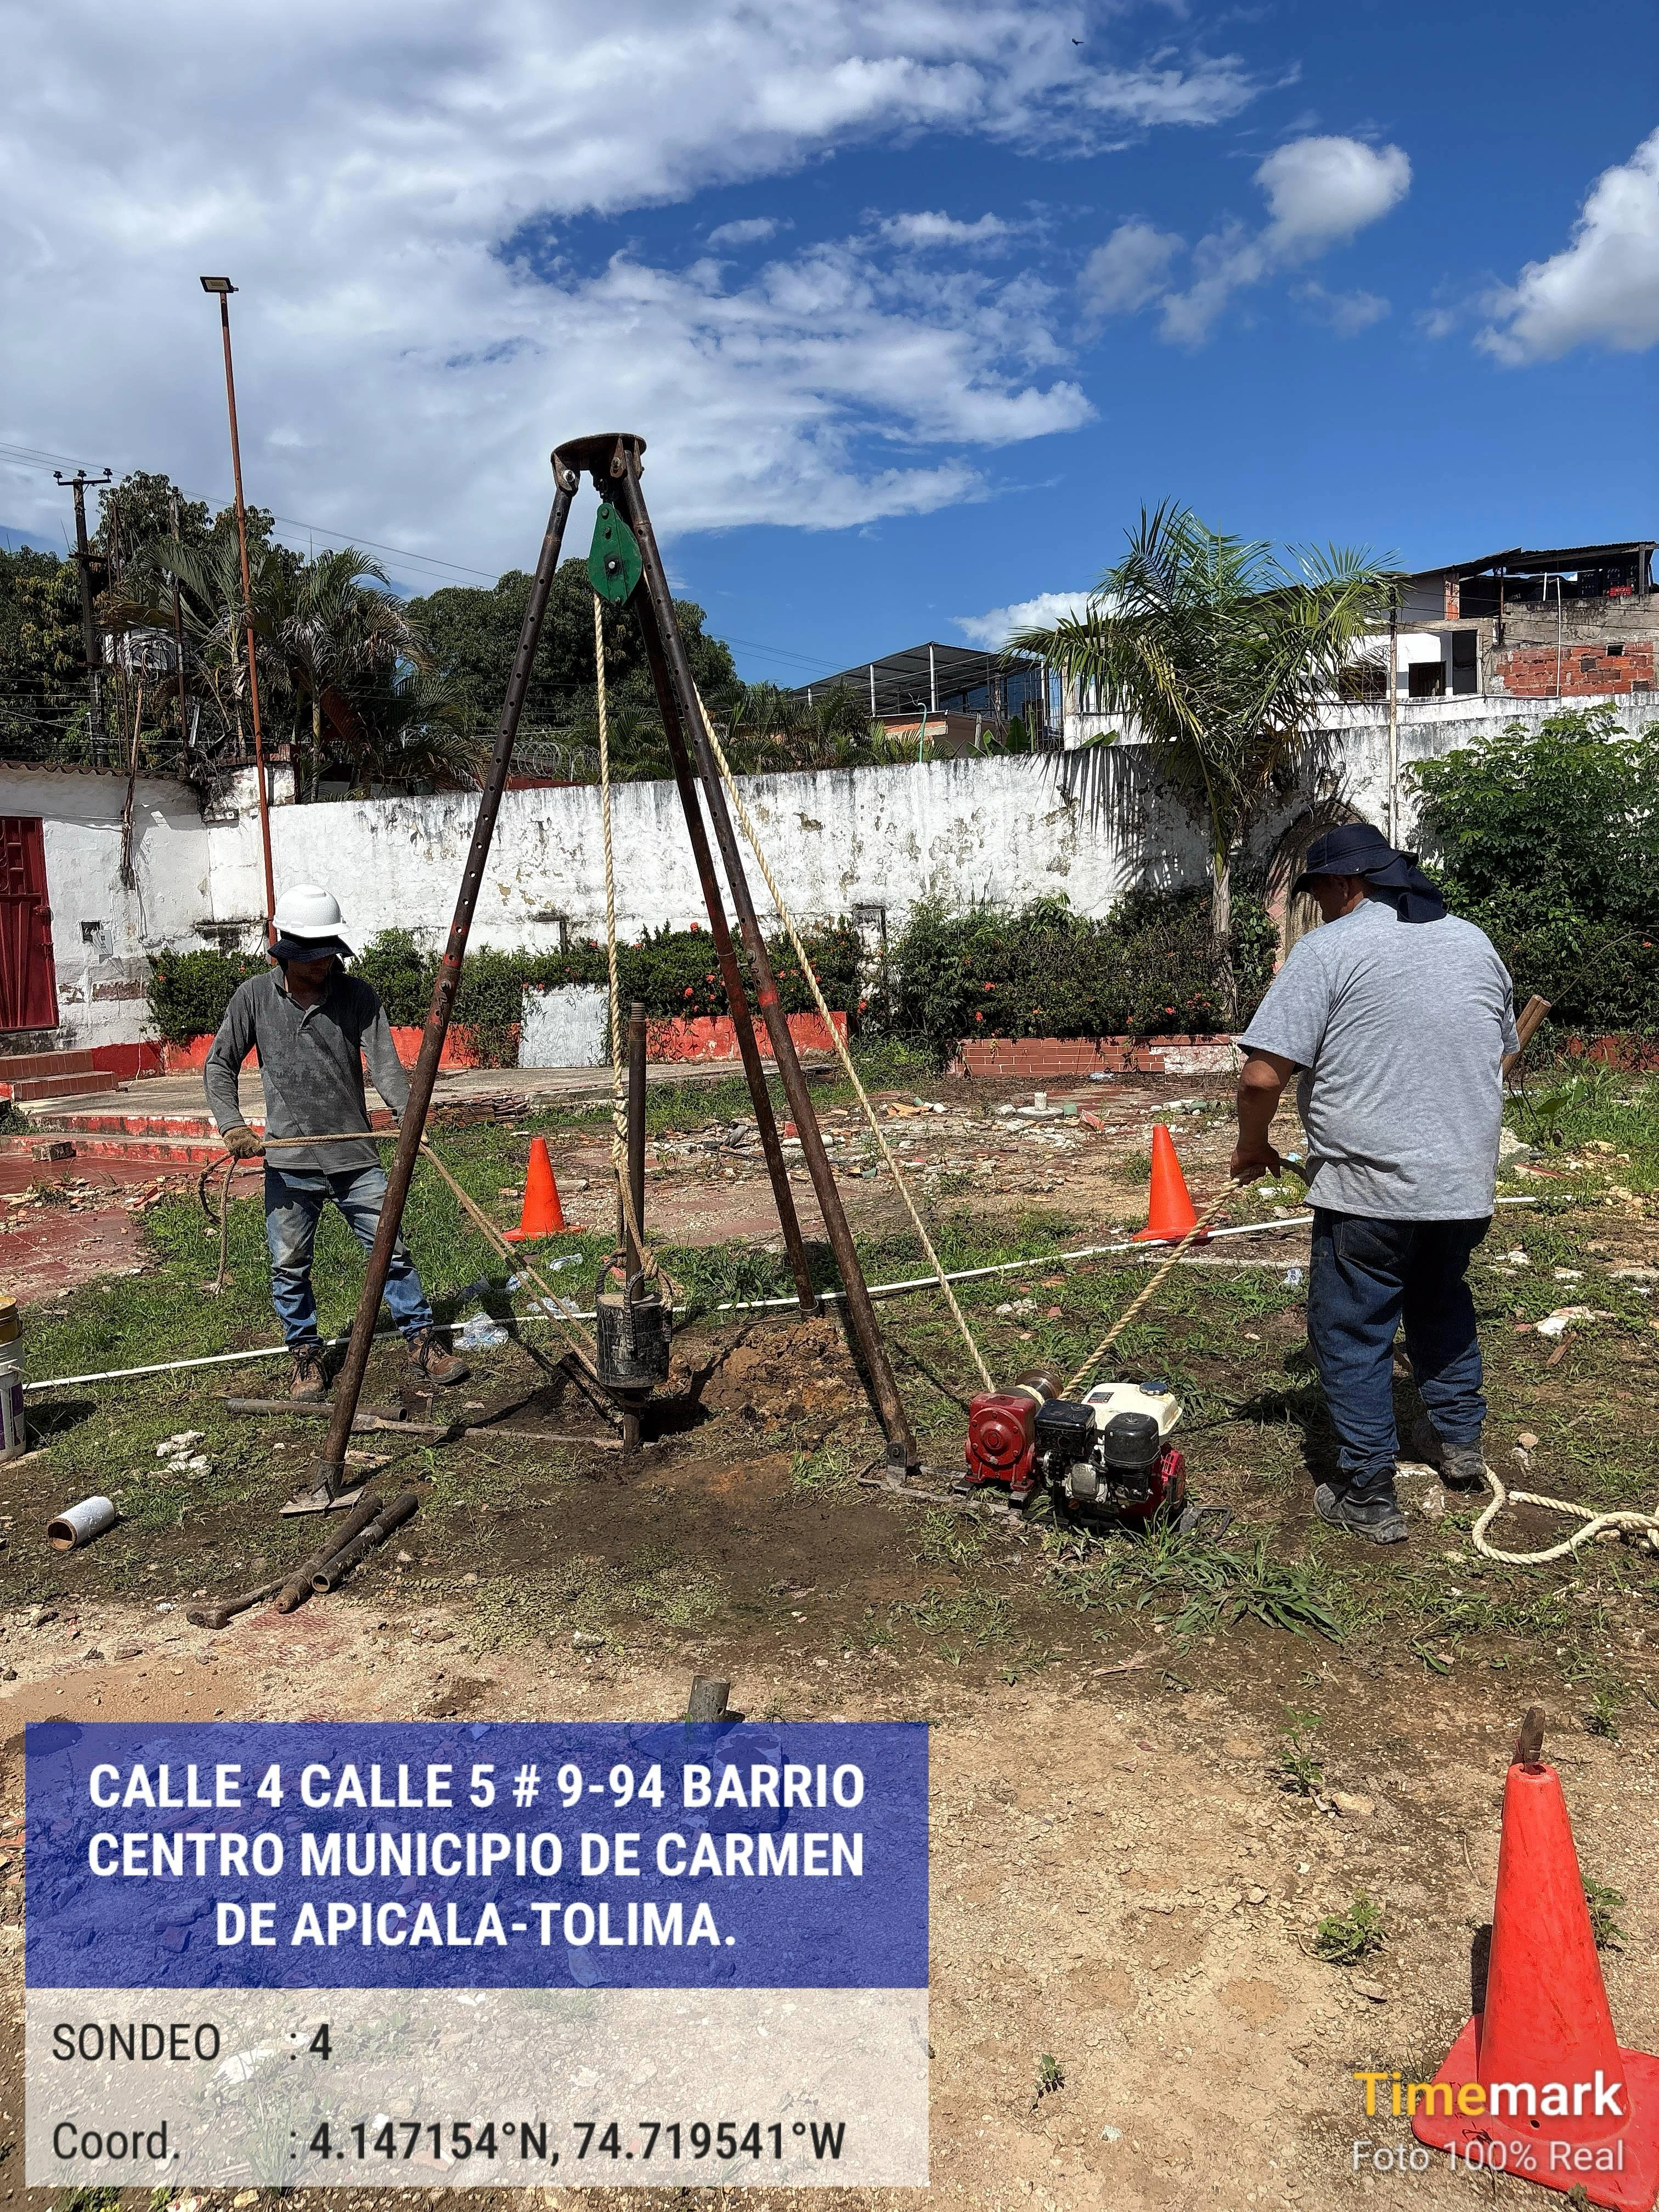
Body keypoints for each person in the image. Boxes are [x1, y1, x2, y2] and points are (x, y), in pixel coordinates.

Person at [1231, 821, 1517, 1544]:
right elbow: (1498, 1050)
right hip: (1463, 1188)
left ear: (1349, 885)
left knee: (1353, 1329)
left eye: (1321, 894)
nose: (1319, 910)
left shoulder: (1332, 949)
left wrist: (1252, 1147)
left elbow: (1263, 1074)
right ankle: (1458, 1445)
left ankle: (1367, 1491)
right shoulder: (1474, 942)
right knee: (1440, 1303)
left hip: (1369, 1193)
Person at [204, 884, 469, 1403]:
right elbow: (219, 1064)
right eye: (312, 955)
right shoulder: (254, 997)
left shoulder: (357, 996)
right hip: (288, 1160)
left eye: (328, 952)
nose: (322, 964)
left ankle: (420, 1341)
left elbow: (387, 1068)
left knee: (390, 1248)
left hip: (354, 1157)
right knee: (288, 1263)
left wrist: (408, 1117)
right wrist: (233, 1125)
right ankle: (305, 1357)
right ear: (285, 947)